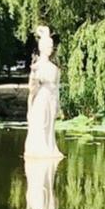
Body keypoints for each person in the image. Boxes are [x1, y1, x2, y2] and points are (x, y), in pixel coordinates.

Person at [25, 23, 62, 160]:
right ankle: (39, 148)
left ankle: (48, 147)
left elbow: (56, 86)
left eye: (51, 47)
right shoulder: (37, 66)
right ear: (42, 47)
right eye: (48, 46)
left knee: (49, 126)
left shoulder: (54, 68)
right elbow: (32, 87)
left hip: (51, 98)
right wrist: (34, 76)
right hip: (42, 97)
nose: (50, 49)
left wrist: (57, 103)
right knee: (41, 123)